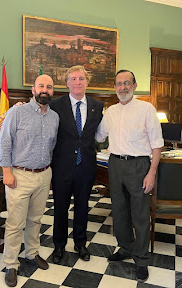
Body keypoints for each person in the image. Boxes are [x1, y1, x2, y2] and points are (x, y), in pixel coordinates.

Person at [96, 69, 164, 282]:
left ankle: (141, 260)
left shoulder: (146, 109)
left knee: (140, 215)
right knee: (119, 211)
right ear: (114, 87)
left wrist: (151, 173)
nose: (123, 87)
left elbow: (157, 145)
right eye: (119, 83)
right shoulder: (111, 112)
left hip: (139, 167)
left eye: (127, 83)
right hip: (115, 164)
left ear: (134, 85)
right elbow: (98, 135)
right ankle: (125, 247)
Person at [0, 74, 59, 287]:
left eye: (49, 87)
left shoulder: (54, 117)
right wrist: (7, 171)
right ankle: (11, 264)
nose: (45, 89)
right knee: (15, 223)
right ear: (33, 89)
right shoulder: (16, 112)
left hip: (44, 175)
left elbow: (53, 147)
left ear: (52, 91)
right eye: (41, 85)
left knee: (35, 219)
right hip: (19, 175)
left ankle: (32, 253)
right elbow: (4, 143)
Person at [50, 65, 103, 263]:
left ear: (87, 82)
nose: (77, 82)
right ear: (66, 83)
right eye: (73, 79)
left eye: (81, 78)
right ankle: (59, 245)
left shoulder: (97, 106)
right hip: (62, 166)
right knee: (60, 207)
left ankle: (80, 244)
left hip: (86, 167)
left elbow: (100, 134)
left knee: (82, 207)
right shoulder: (56, 104)